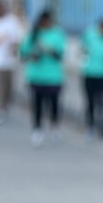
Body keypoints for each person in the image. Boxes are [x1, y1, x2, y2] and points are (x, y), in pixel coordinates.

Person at [19, 10, 66, 147]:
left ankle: (55, 127)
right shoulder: (33, 35)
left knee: (54, 104)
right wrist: (32, 55)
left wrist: (49, 50)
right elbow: (23, 55)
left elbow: (61, 55)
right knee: (37, 104)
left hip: (53, 77)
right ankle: (37, 129)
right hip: (36, 76)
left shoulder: (57, 34)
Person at [0, 0, 23, 124]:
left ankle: (6, 106)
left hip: (9, 61)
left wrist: (13, 51)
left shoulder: (12, 21)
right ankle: (0, 109)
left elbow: (16, 40)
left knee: (8, 87)